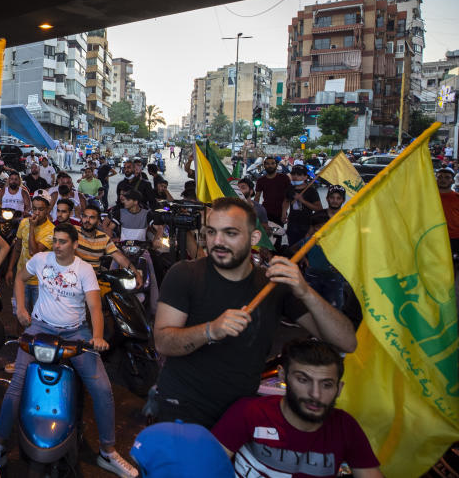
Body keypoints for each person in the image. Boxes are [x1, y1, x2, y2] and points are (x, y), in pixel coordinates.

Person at [152, 197, 357, 428]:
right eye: (211, 232)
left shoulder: (272, 285)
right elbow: (163, 342)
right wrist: (210, 330)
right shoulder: (184, 275)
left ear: (254, 237)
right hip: (183, 407)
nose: (217, 242)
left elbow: (346, 342)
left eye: (230, 233)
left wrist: (306, 291)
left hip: (242, 413)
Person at [0, 224, 138, 477]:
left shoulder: (84, 270)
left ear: (74, 244)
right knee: (16, 385)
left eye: (62, 241)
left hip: (76, 332)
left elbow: (94, 307)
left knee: (102, 389)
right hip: (40, 327)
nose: (57, 246)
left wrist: (96, 337)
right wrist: (19, 308)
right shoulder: (40, 259)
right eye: (55, 241)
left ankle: (108, 451)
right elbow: (19, 277)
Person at [212, 338, 381, 478]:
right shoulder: (249, 412)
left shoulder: (346, 427)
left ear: (339, 389)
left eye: (327, 385)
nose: (315, 394)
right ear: (282, 375)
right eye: (303, 380)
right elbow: (204, 469)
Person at [6, 194, 55, 314]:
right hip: (21, 279)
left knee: (38, 317)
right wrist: (10, 269)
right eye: (34, 209)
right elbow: (17, 247)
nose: (37, 213)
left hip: (40, 282)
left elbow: (34, 252)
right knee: (20, 314)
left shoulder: (52, 230)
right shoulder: (24, 223)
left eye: (41, 209)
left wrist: (32, 227)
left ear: (48, 210)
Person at [75, 205, 136, 273]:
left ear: (98, 222)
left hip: (94, 277)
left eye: (92, 218)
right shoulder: (73, 231)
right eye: (85, 216)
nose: (87, 220)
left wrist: (136, 273)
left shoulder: (104, 238)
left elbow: (119, 257)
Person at [285, 164, 322, 247]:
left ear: (305, 177)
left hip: (306, 225)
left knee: (304, 250)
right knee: (292, 248)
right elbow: (286, 201)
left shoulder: (311, 191)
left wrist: (303, 201)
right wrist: (283, 213)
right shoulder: (290, 188)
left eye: (299, 175)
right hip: (292, 224)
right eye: (293, 174)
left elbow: (319, 209)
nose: (295, 177)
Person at [255, 156, 292, 226]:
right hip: (265, 213)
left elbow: (288, 197)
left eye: (272, 163)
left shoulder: (284, 178)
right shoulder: (260, 180)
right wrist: (256, 212)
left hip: (280, 212)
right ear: (264, 166)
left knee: (277, 235)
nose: (270, 166)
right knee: (265, 235)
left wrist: (284, 213)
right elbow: (257, 197)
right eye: (267, 164)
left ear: (276, 165)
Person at [438, 167, 459, 258]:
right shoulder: (427, 196)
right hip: (433, 236)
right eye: (440, 177)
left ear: (452, 181)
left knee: (453, 265)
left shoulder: (457, 197)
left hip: (454, 238)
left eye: (447, 177)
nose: (443, 180)